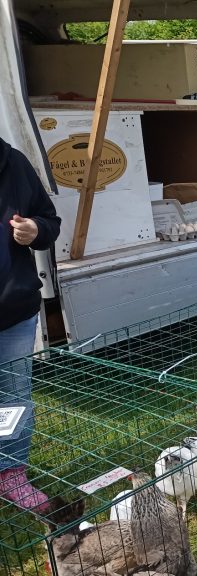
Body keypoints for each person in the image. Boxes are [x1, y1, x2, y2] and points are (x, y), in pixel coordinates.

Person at [0, 136, 60, 514]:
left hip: (13, 311)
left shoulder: (14, 163)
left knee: (14, 398)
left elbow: (49, 220)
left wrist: (36, 230)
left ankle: (11, 474)